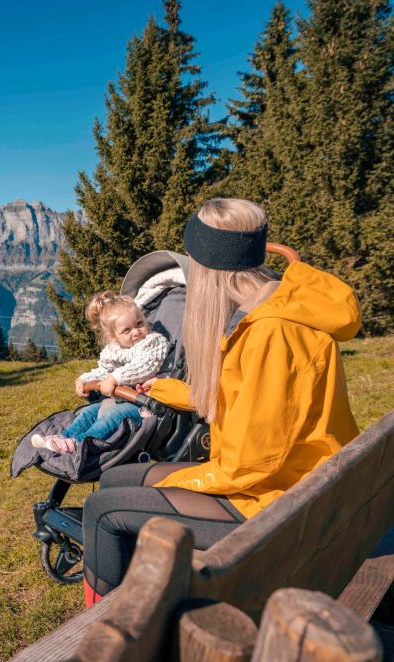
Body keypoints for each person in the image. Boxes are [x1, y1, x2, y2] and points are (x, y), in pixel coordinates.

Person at [81, 198, 361, 608]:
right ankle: (151, 598)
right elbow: (242, 398)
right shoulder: (284, 304)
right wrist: (157, 387)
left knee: (102, 510)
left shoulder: (271, 333)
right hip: (304, 482)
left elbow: (250, 465)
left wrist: (180, 480)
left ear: (209, 272)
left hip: (282, 502)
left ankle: (110, 635)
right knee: (116, 480)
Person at [31, 291, 169, 454]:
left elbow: (146, 366)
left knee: (114, 416)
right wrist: (84, 380)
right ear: (113, 336)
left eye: (139, 324)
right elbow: (104, 371)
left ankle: (78, 444)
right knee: (89, 412)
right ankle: (62, 438)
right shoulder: (114, 351)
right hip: (123, 400)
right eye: (127, 330)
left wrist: (115, 378)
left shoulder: (153, 342)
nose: (136, 332)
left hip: (146, 404)